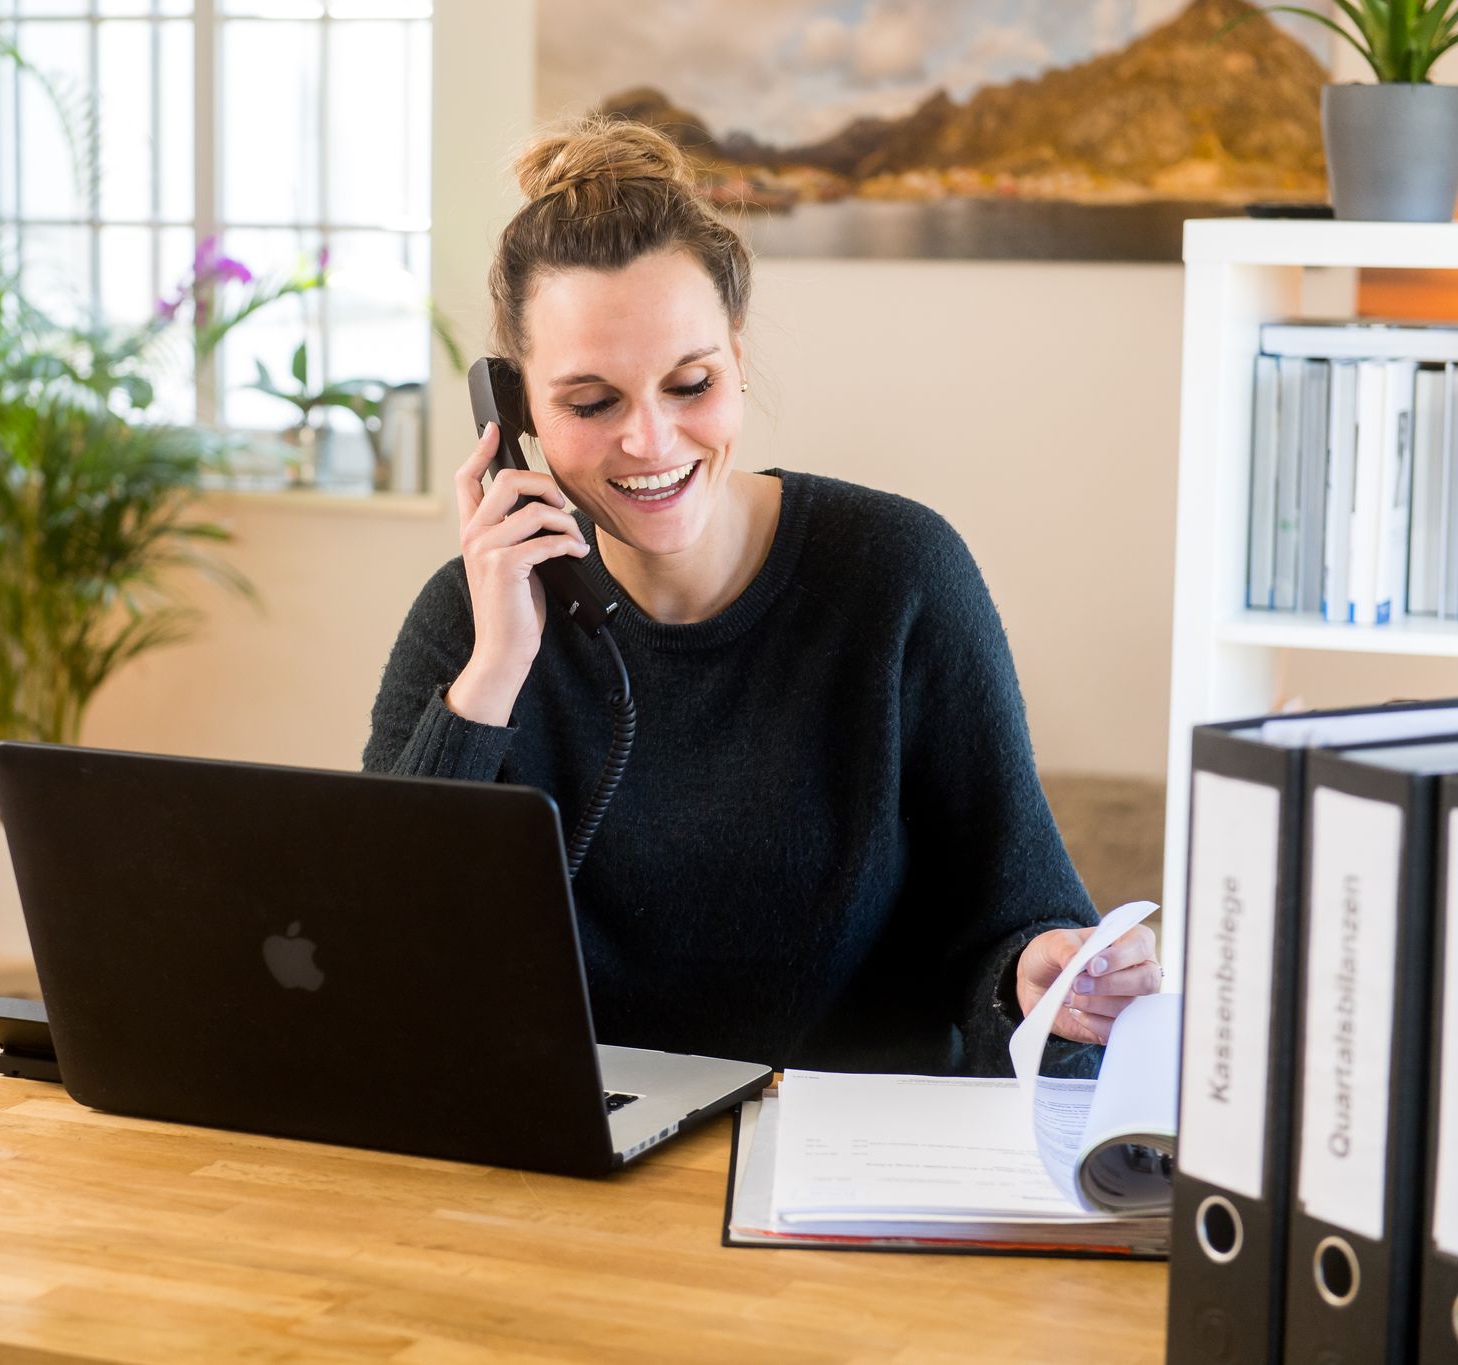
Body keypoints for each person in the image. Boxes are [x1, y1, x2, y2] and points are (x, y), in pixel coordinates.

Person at [361, 116, 1160, 1077]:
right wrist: (494, 672)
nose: (650, 441)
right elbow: (380, 956)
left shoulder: (899, 574)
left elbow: (1020, 921)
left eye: (689, 383)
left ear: (737, 362)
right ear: (516, 411)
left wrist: (1043, 981)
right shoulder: (471, 616)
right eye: (591, 402)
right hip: (578, 1148)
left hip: (850, 1146)